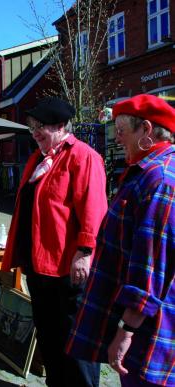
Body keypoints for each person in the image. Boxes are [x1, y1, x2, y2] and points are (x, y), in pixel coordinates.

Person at [66, 94, 175, 387]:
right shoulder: (146, 172)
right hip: (147, 326)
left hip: (151, 334)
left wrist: (126, 330)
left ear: (147, 130)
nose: (116, 138)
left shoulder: (160, 179)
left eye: (122, 130)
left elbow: (150, 268)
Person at [2, 96, 108, 387]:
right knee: (50, 340)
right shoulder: (38, 159)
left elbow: (93, 209)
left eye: (40, 126)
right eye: (32, 127)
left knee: (76, 345)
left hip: (67, 268)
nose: (34, 132)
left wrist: (85, 251)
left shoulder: (83, 156)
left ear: (61, 126)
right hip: (39, 267)